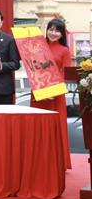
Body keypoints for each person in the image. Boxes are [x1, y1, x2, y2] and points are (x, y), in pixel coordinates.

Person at [31, 18, 72, 169]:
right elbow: (31, 68)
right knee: (37, 126)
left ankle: (57, 162)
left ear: (62, 34)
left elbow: (65, 74)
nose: (53, 33)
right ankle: (37, 161)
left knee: (56, 127)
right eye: (51, 29)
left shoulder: (64, 50)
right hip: (38, 91)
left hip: (55, 94)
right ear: (46, 30)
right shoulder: (37, 47)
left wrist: (54, 90)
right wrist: (39, 88)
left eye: (57, 31)